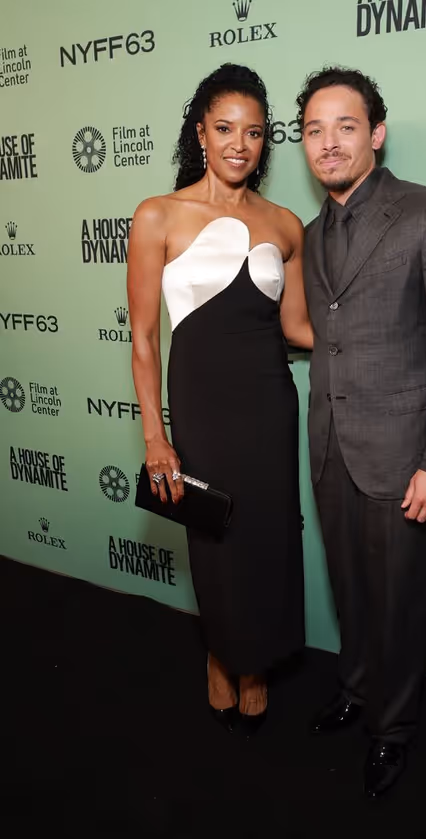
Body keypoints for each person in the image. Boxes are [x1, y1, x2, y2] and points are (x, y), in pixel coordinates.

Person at [297, 66, 426, 797]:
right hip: (332, 446)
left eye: (346, 126)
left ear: (375, 133)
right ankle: (355, 684)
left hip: (407, 454)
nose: (329, 142)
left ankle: (392, 729)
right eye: (314, 130)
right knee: (350, 589)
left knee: (401, 600)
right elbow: (331, 336)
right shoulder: (312, 234)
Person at [127, 63, 313, 736]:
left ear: (267, 142)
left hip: (269, 401)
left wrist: (376, 332)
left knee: (265, 536)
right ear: (200, 131)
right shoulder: (158, 215)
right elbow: (144, 340)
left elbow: (296, 328)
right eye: (225, 128)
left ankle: (255, 665)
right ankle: (219, 653)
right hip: (200, 406)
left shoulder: (286, 224)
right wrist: (155, 434)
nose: (240, 144)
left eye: (255, 132)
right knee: (214, 533)